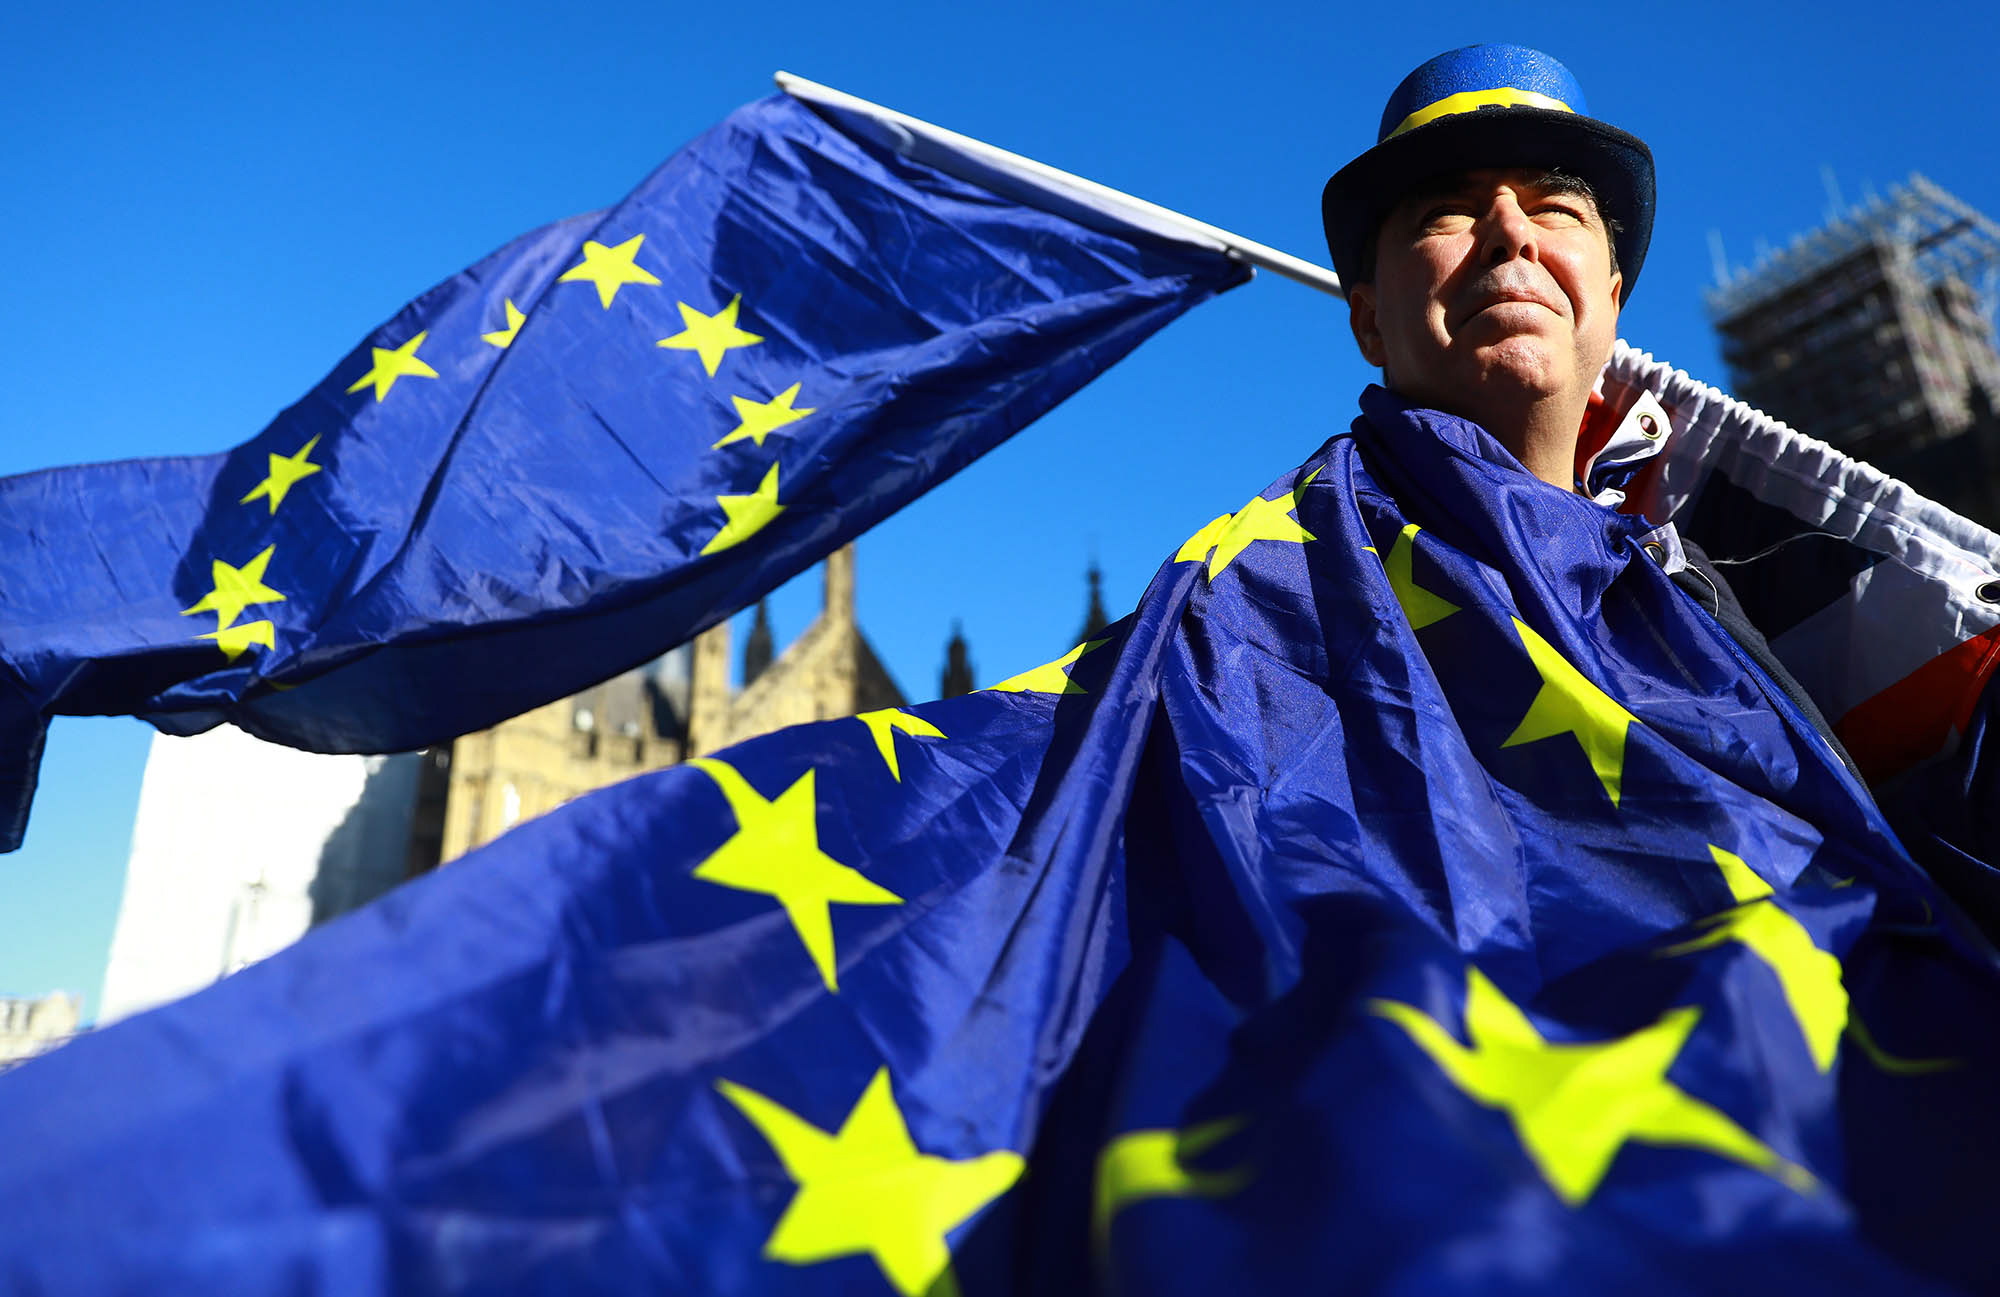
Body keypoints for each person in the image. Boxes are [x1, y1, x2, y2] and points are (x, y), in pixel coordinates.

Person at [1322, 42, 1855, 769]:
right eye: (1447, 212)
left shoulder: (1695, 587)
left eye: (1556, 208)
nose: (1512, 232)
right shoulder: (1256, 600)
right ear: (1369, 321)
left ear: (1610, 303)